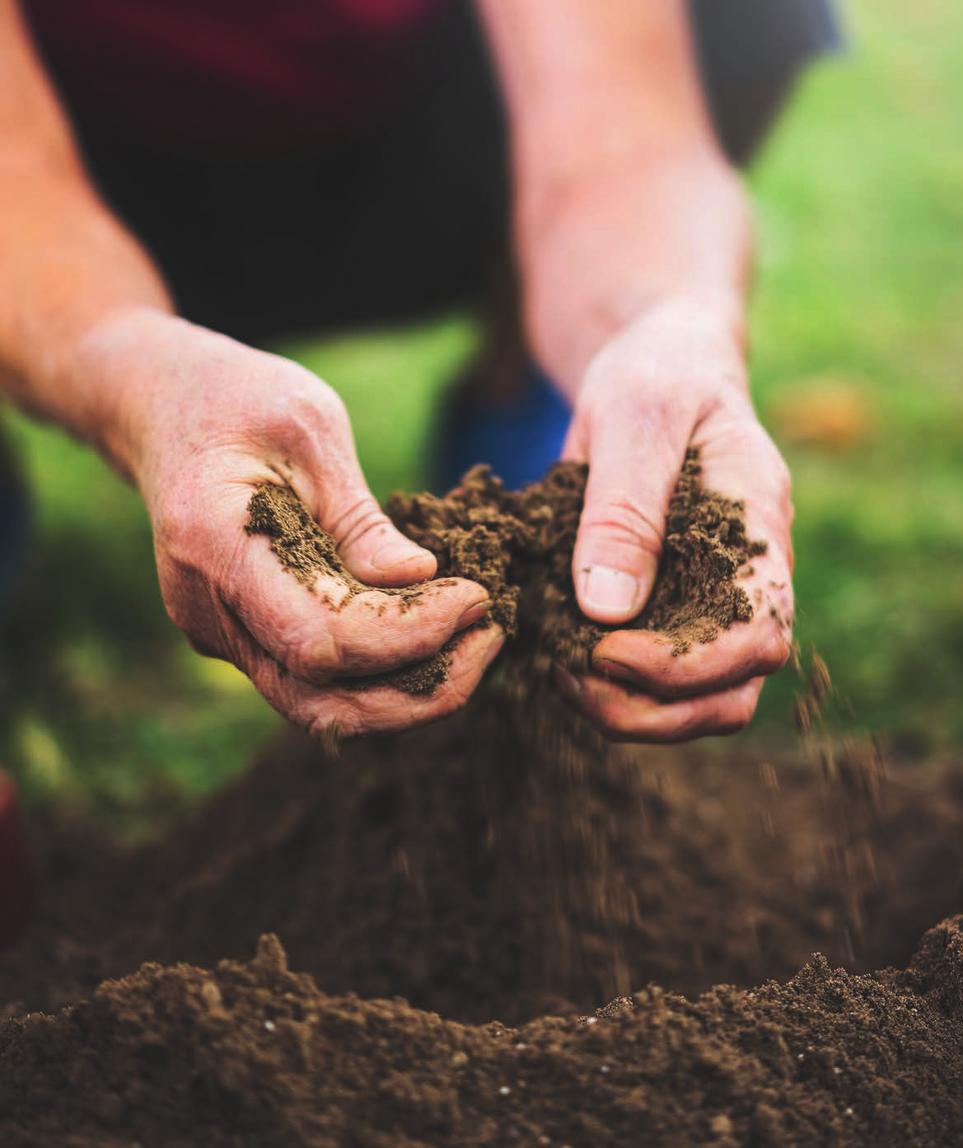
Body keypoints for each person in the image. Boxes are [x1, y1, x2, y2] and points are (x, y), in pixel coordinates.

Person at [0, 0, 838, 745]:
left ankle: (541, 390)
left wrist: (667, 324)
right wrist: (138, 373)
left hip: (406, 142)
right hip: (87, 173)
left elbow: (624, 153)